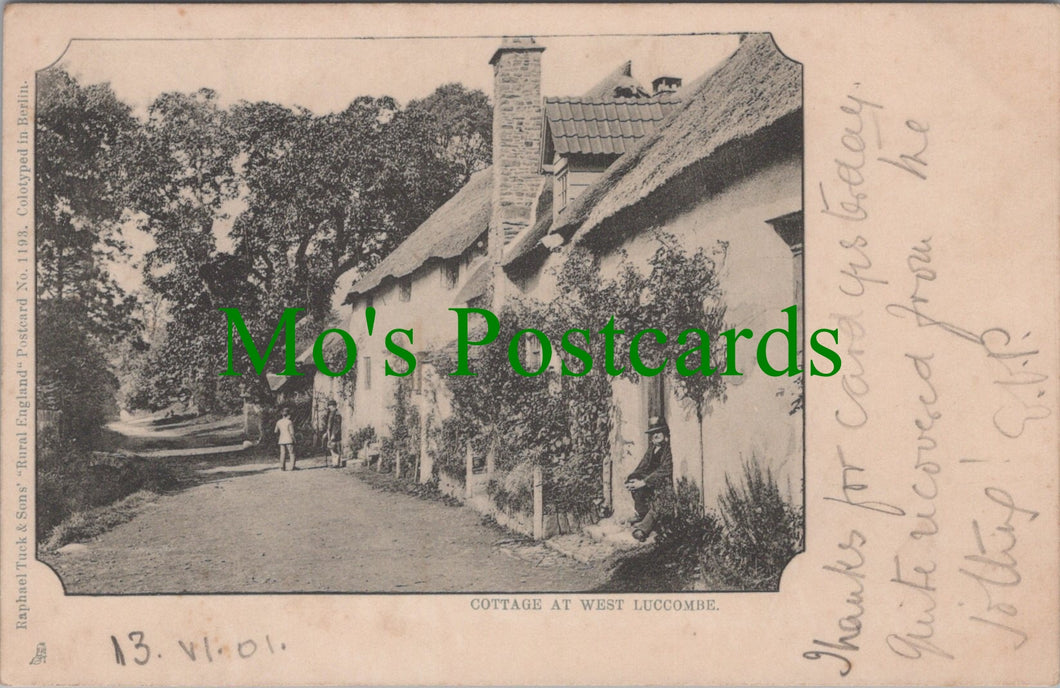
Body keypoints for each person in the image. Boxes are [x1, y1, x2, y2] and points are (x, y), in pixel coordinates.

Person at [625, 416, 674, 542]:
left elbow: (665, 470)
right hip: (649, 483)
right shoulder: (652, 450)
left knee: (660, 500)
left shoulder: (667, 450)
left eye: (658, 432)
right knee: (635, 484)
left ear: (664, 433)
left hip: (662, 483)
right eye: (653, 433)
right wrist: (632, 479)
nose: (655, 435)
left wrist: (644, 482)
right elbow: (642, 466)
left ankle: (643, 530)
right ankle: (643, 516)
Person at [325, 400, 343, 468]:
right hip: (330, 432)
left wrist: (334, 434)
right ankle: (334, 463)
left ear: (334, 406)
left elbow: (337, 425)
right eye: (329, 406)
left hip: (334, 433)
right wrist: (327, 433)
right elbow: (329, 425)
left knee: (334, 447)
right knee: (331, 448)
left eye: (330, 406)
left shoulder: (337, 414)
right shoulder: (331, 413)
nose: (329, 407)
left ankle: (336, 464)